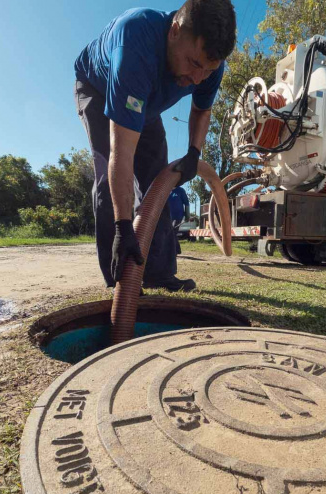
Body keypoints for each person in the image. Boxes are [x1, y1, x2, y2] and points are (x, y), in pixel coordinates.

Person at [74, 0, 236, 292]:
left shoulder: (210, 65)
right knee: (106, 176)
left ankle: (159, 274)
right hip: (98, 89)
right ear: (174, 31)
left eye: (208, 70)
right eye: (194, 64)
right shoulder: (135, 43)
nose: (198, 79)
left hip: (146, 102)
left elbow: (201, 109)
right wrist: (124, 227)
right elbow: (122, 155)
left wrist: (193, 153)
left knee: (158, 181)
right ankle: (121, 281)